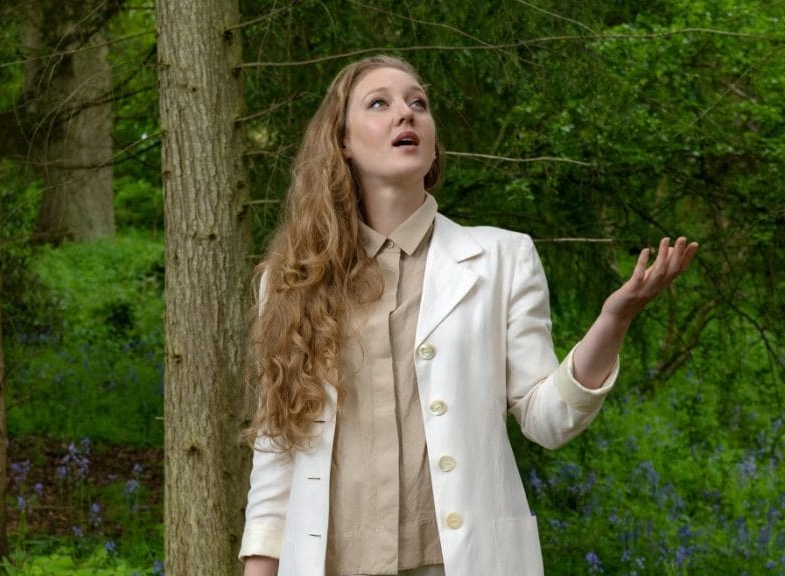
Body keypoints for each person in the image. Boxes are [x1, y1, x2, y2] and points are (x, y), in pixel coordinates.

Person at [238, 55, 698, 576]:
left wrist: (614, 320)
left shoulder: (503, 258)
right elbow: (279, 447)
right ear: (342, 141)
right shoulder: (294, 280)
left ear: (433, 144)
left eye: (418, 103)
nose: (406, 113)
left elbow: (547, 419)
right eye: (379, 103)